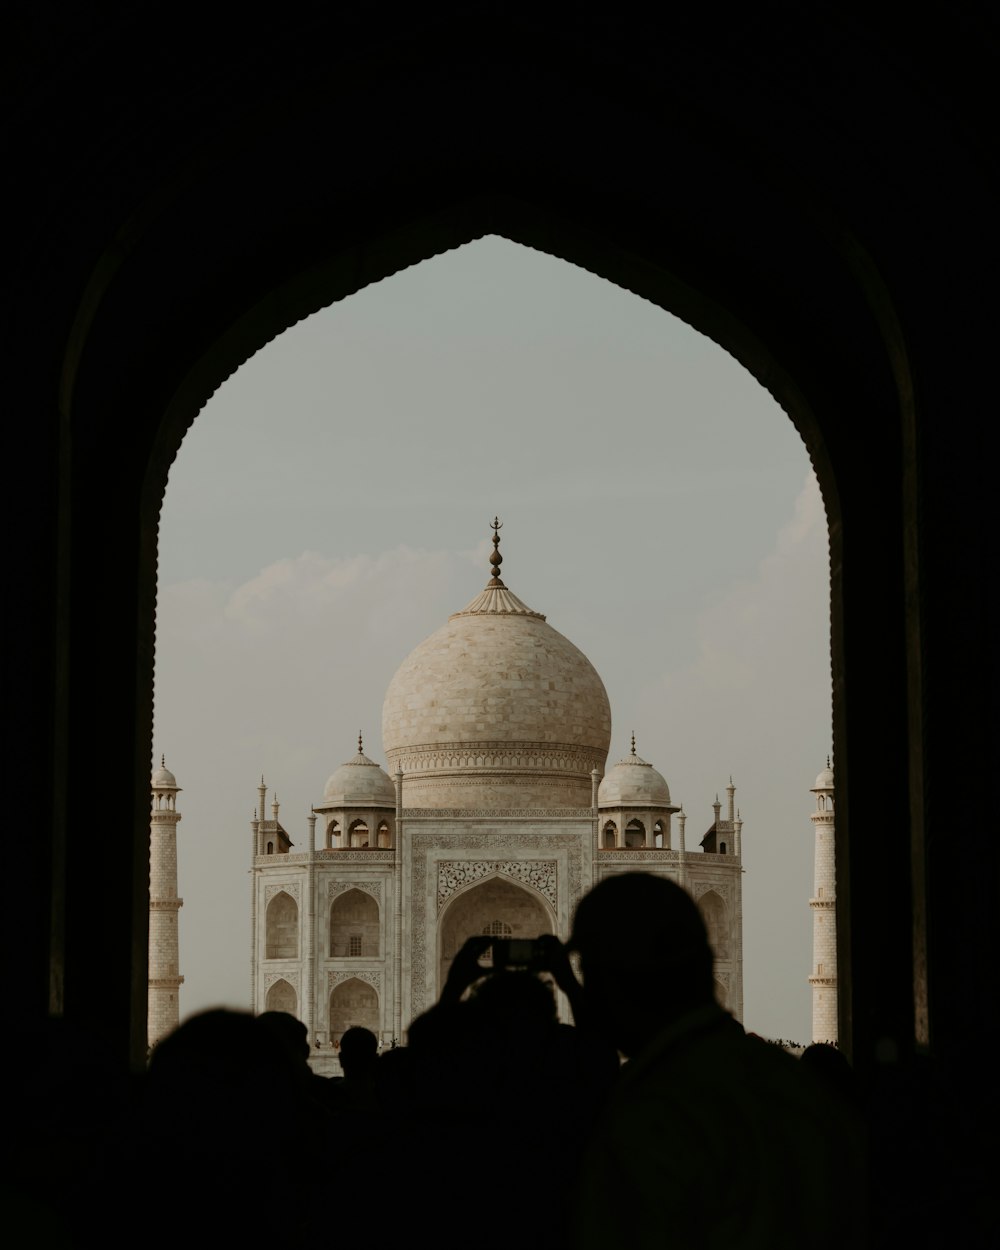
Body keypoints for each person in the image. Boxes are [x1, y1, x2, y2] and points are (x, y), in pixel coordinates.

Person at [566, 873, 867, 1249]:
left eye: (590, 975)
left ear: (607, 982)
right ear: (706, 961)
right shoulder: (800, 1085)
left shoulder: (655, 1112)